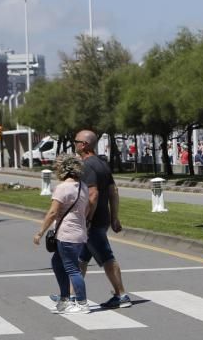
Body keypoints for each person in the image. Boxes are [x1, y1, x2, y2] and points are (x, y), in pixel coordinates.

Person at [75, 130, 131, 309]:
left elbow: (93, 194)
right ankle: (70, 295)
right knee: (81, 258)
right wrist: (114, 217)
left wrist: (87, 219)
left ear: (84, 144)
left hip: (93, 220)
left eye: (76, 141)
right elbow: (113, 191)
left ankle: (121, 295)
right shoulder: (101, 163)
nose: (74, 144)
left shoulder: (87, 165)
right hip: (102, 218)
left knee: (107, 257)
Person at [35, 154, 90, 314]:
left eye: (57, 167)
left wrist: (40, 232)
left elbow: (52, 212)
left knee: (72, 269)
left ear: (63, 169)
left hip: (67, 234)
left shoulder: (63, 188)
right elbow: (85, 210)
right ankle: (65, 299)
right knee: (57, 263)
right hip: (78, 232)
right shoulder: (82, 186)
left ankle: (82, 303)